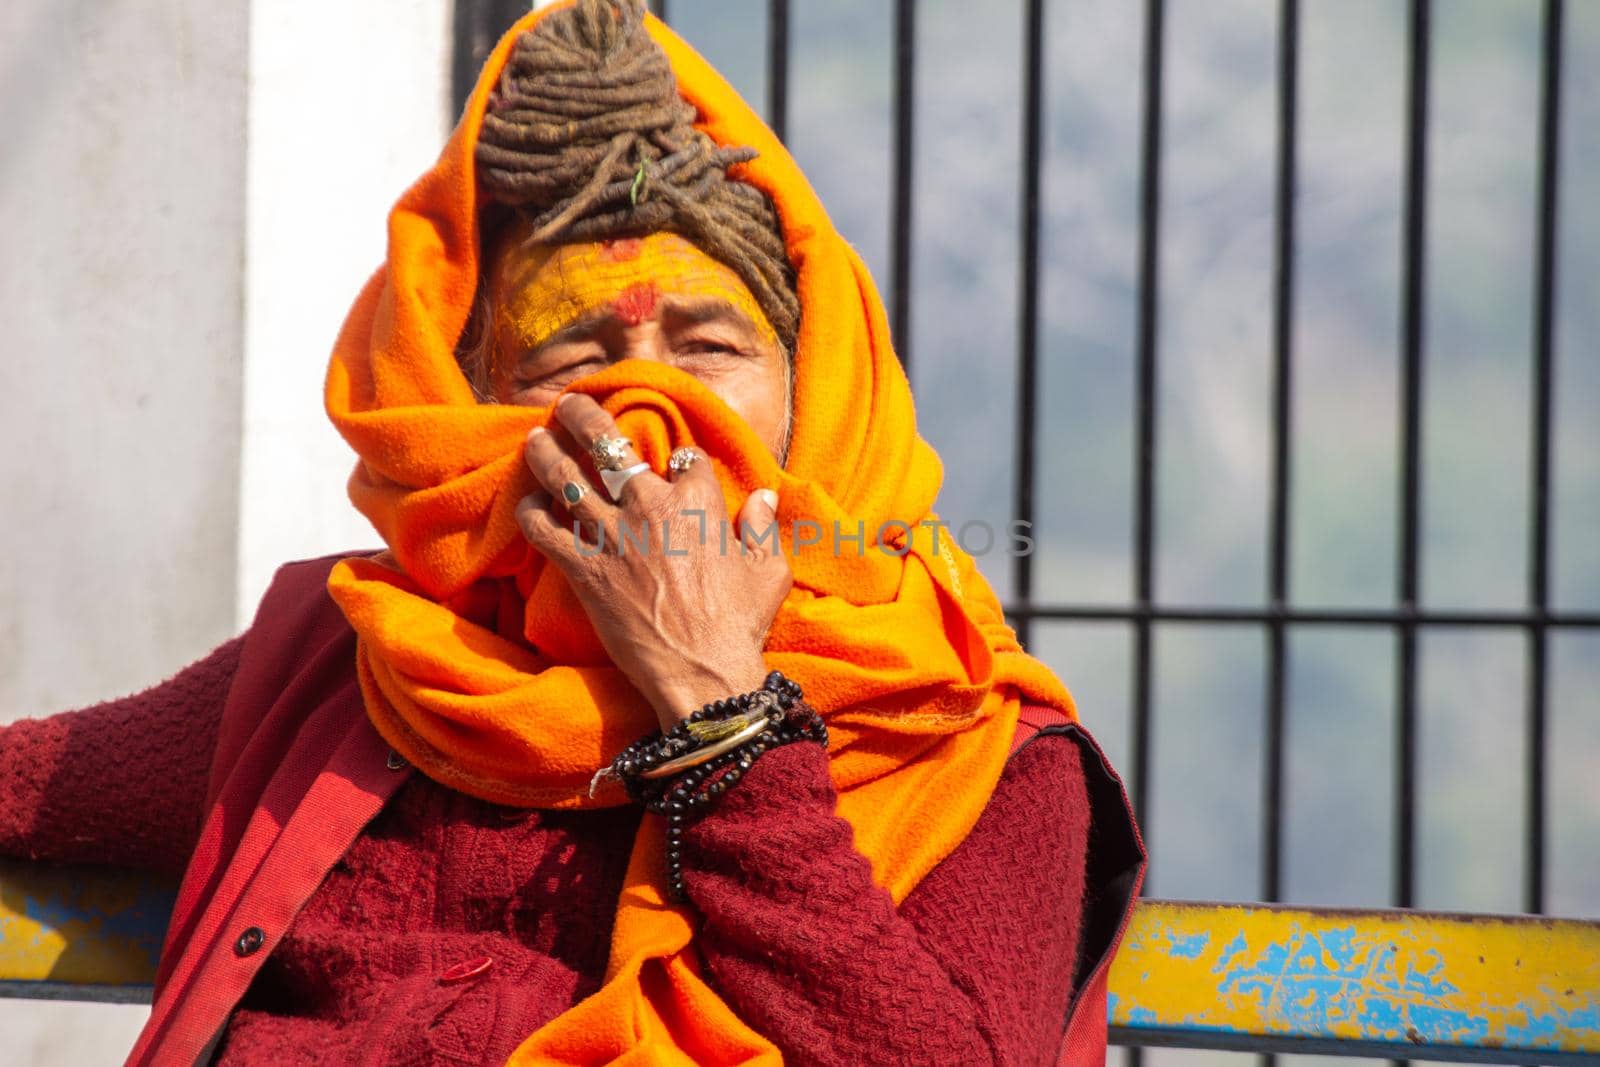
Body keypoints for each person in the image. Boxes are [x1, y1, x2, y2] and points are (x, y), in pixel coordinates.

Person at [0, 2, 1145, 1064]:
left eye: (709, 347)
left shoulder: (970, 742)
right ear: (479, 411)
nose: (645, 409)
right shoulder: (351, 668)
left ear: (816, 398)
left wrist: (717, 711)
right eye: (574, 358)